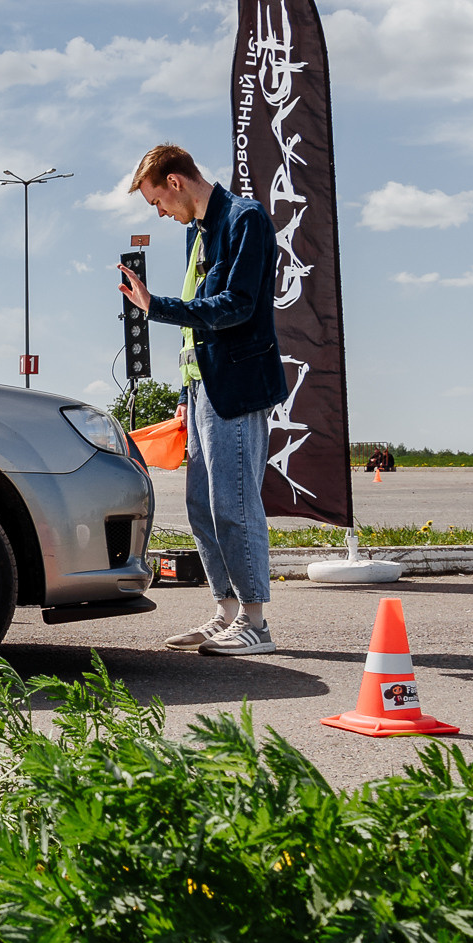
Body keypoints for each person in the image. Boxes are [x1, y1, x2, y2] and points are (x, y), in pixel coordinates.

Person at [116, 144, 287, 656]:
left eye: (157, 204)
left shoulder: (245, 220)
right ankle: (227, 614)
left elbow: (236, 307)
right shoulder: (200, 231)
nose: (161, 215)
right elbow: (201, 326)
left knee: (234, 505)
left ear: (175, 182)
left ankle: (256, 623)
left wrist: (156, 306)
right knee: (201, 506)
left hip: (235, 389)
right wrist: (187, 392)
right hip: (202, 388)